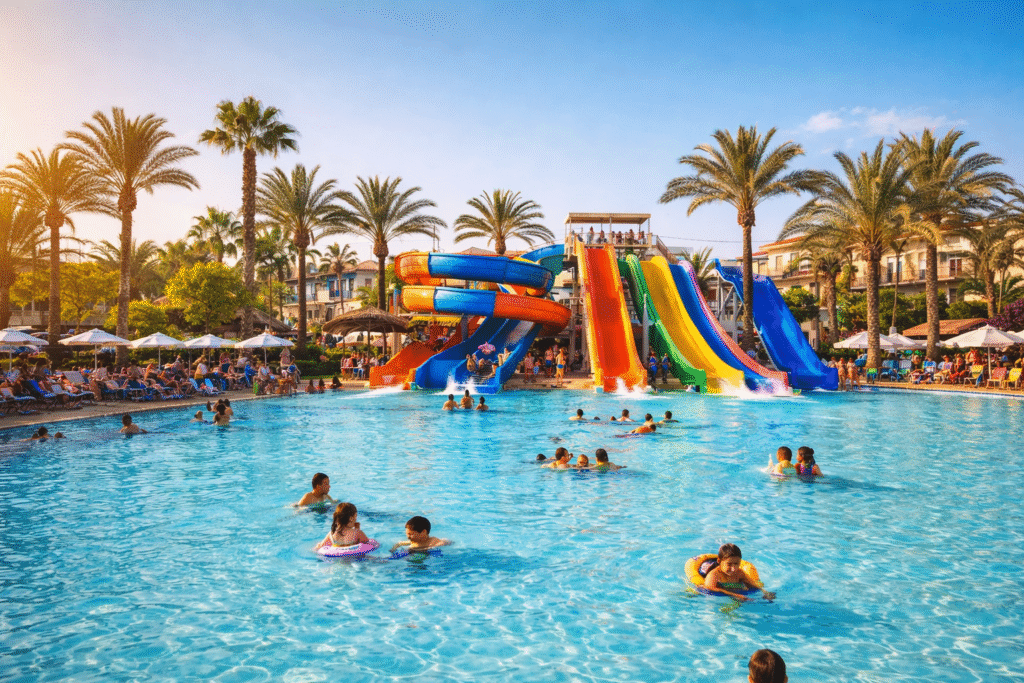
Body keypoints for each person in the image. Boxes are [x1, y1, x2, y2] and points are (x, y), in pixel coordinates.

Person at [700, 543, 775, 601]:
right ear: (719, 561)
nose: (733, 569)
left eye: (736, 564)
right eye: (729, 564)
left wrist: (765, 592)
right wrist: (736, 595)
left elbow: (751, 583)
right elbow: (709, 588)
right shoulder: (714, 574)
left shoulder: (739, 573)